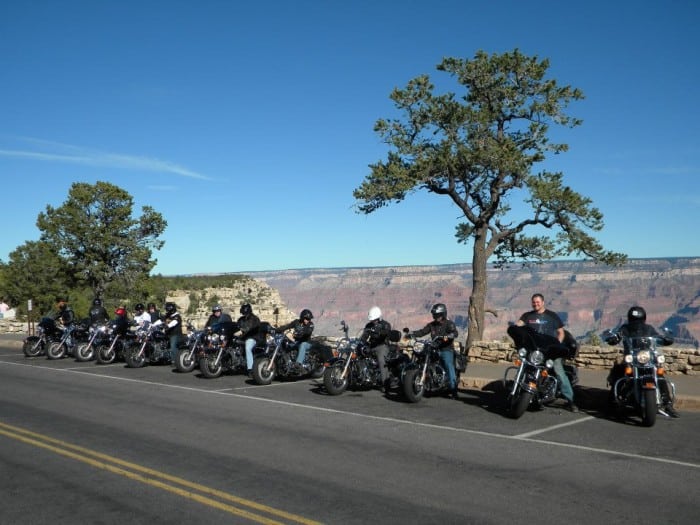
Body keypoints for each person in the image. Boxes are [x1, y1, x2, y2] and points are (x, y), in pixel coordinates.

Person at [605, 305, 678, 418]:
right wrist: (613, 338)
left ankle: (668, 404)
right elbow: (618, 336)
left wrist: (665, 339)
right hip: (632, 358)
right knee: (619, 374)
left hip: (646, 358)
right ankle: (614, 402)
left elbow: (656, 337)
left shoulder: (649, 329)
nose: (636, 322)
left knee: (660, 376)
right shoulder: (624, 328)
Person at [515, 293, 578, 412]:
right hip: (534, 350)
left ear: (543, 302)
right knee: (525, 367)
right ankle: (522, 391)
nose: (536, 304)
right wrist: (515, 329)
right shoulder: (527, 316)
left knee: (559, 371)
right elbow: (519, 325)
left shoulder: (552, 316)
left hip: (549, 350)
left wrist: (557, 346)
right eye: (534, 302)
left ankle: (570, 401)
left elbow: (561, 332)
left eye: (538, 302)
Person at [408, 303, 460, 399]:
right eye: (434, 315)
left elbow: (455, 332)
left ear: (443, 314)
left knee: (448, 365)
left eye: (438, 315)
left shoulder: (449, 324)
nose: (436, 317)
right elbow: (422, 332)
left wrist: (451, 335)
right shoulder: (431, 325)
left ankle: (453, 390)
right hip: (433, 348)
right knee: (422, 358)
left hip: (446, 349)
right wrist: (412, 334)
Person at [360, 306, 393, 392]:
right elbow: (364, 336)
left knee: (381, 359)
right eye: (372, 320)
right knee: (360, 353)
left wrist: (378, 332)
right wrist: (361, 342)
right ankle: (361, 376)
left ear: (378, 318)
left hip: (382, 345)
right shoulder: (368, 325)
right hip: (371, 345)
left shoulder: (385, 325)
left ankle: (385, 383)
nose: (373, 321)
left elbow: (385, 334)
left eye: (374, 319)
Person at [236, 303, 262, 375]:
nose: (245, 314)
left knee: (247, 348)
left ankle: (250, 369)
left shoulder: (255, 319)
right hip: (243, 338)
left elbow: (253, 327)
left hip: (253, 338)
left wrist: (243, 330)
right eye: (243, 313)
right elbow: (236, 327)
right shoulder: (241, 319)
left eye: (246, 312)